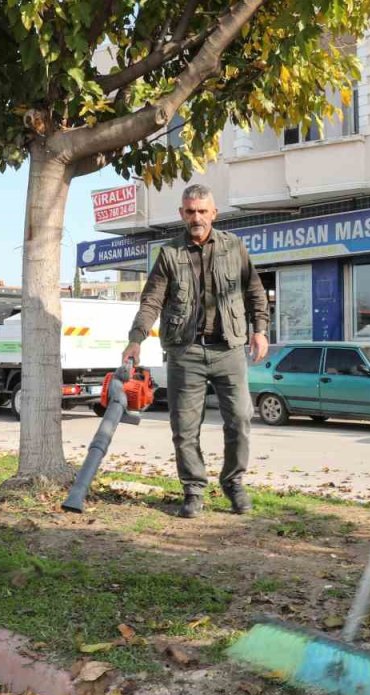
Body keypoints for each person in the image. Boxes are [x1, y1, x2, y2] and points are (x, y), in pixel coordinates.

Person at [123, 184, 270, 518]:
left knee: (241, 419)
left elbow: (255, 292)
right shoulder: (170, 253)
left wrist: (259, 331)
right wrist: (136, 338)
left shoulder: (234, 247)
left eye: (203, 211)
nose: (196, 218)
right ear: (181, 214)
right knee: (185, 428)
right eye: (190, 212)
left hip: (228, 350)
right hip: (185, 352)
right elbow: (152, 301)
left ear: (214, 214)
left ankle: (234, 483)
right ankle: (193, 490)